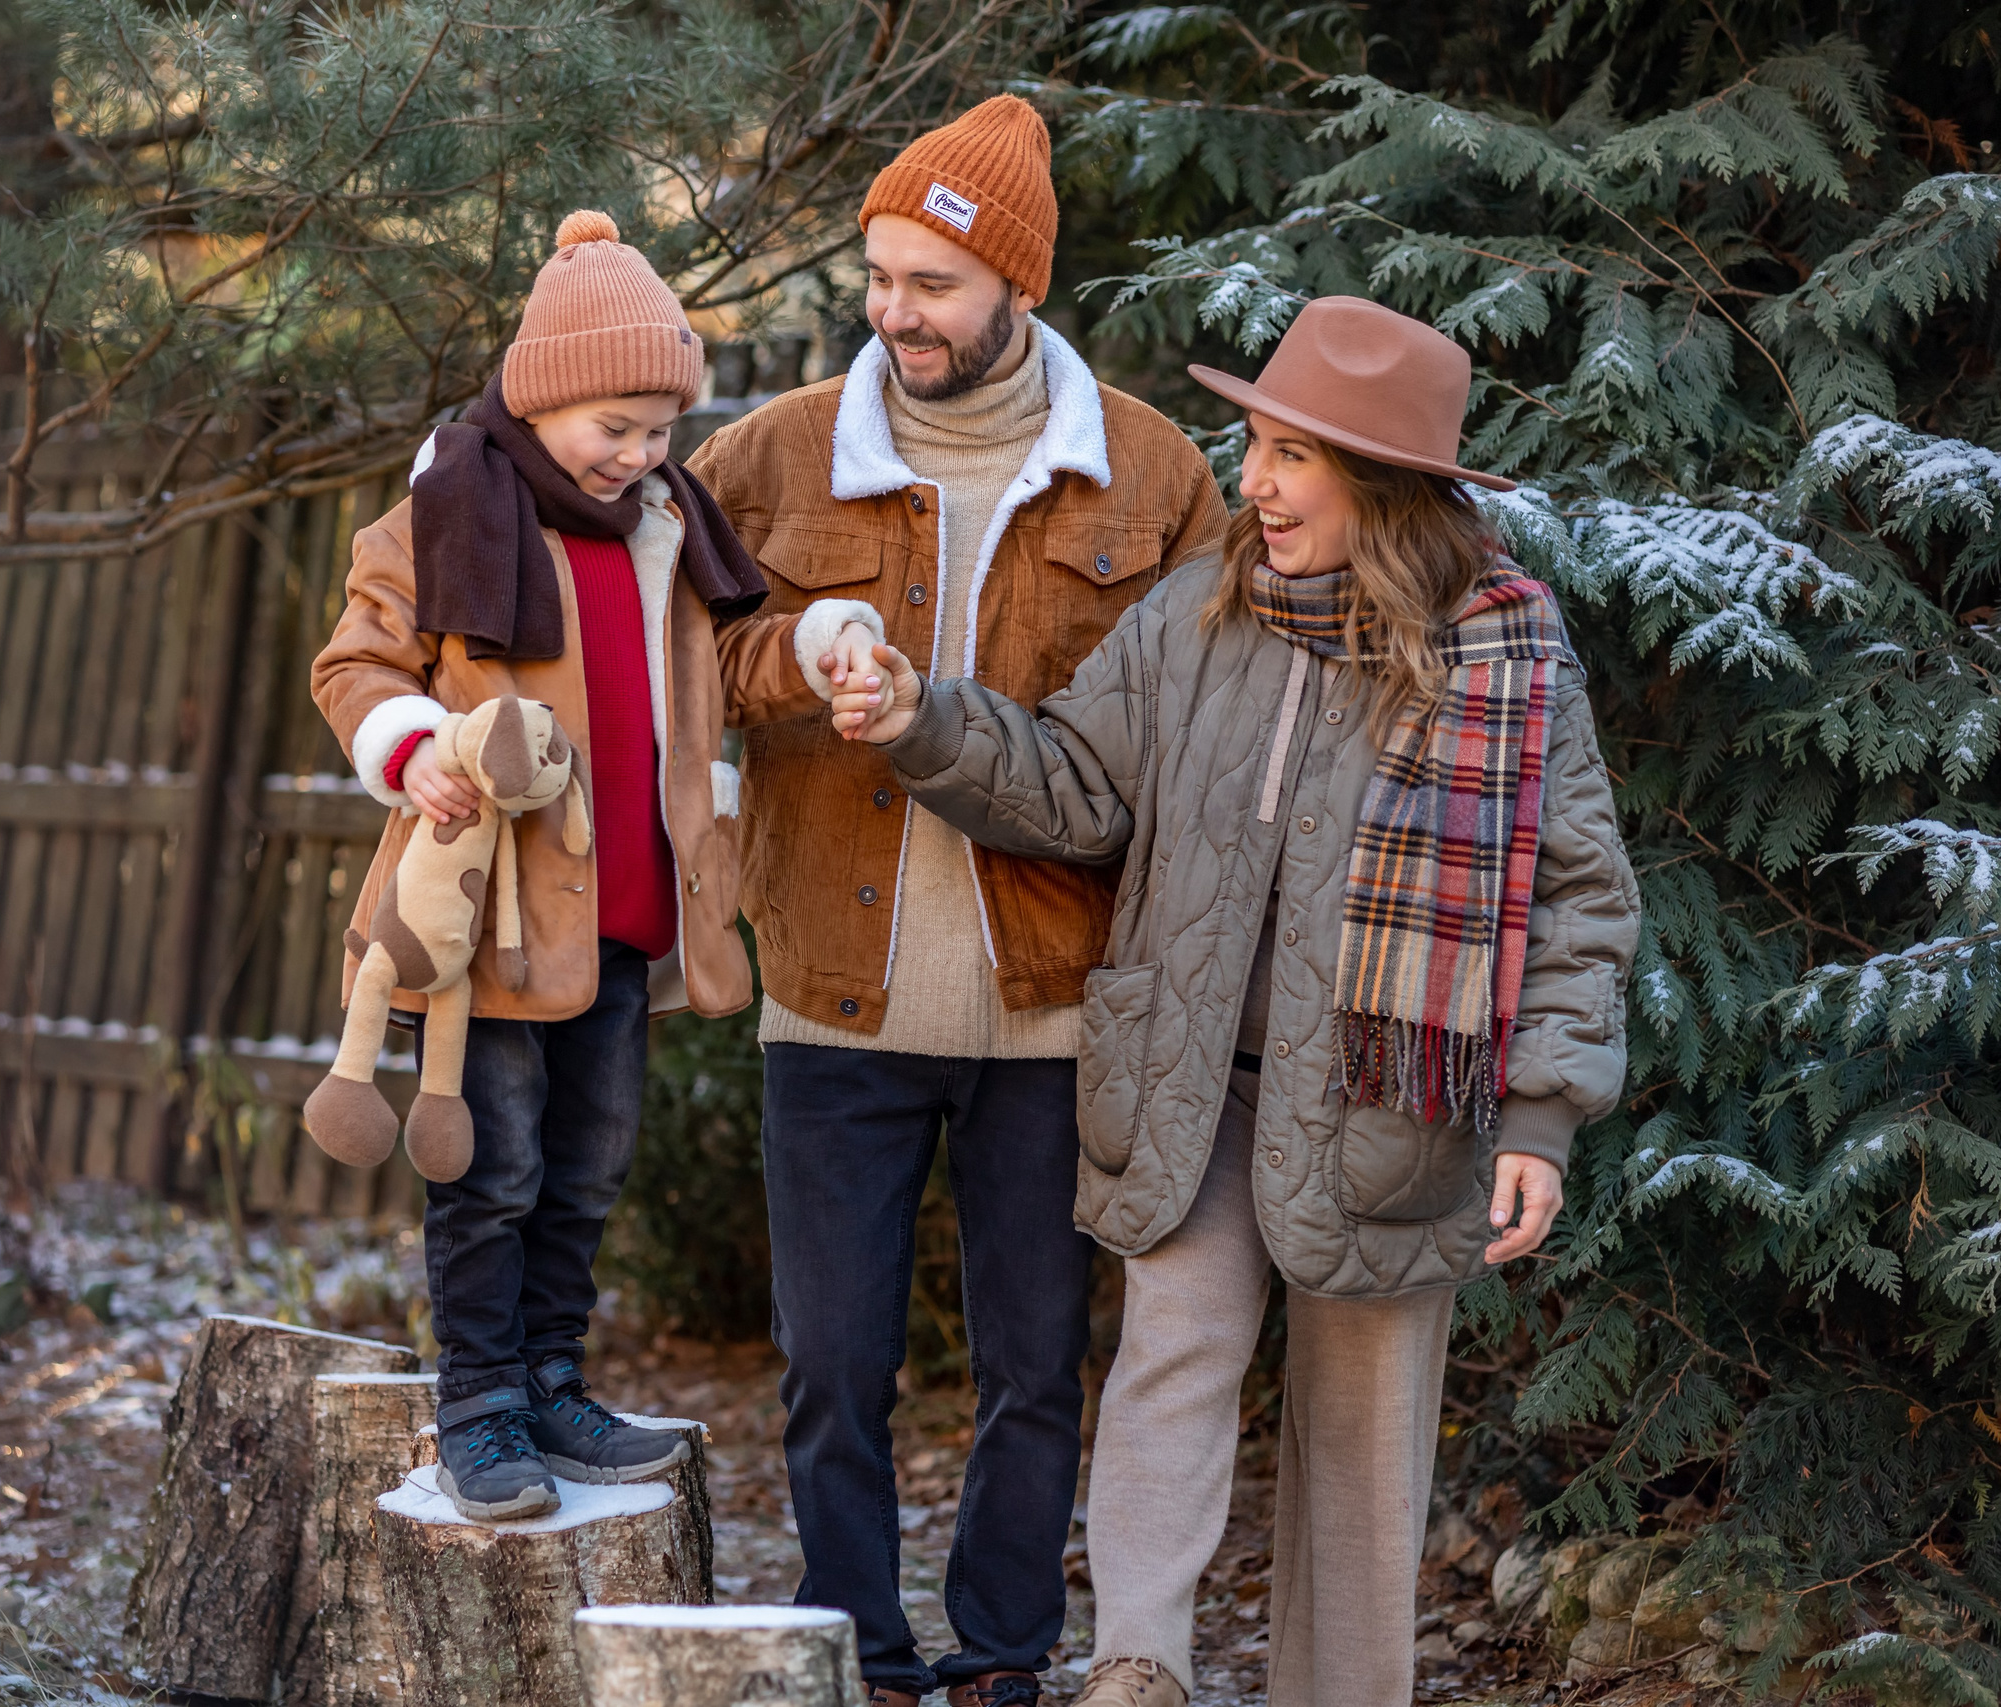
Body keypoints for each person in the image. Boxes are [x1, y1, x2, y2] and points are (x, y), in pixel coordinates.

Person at [827, 295, 1640, 1707]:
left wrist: (1543, 1117)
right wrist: (922, 720)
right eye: (1251, 444)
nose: (1250, 480)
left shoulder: (1504, 660)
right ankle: (1139, 1665)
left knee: (1363, 1438)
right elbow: (1075, 784)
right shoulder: (1199, 615)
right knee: (1170, 1368)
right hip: (1194, 1084)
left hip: (1393, 1104)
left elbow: (1579, 896)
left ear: (1380, 489)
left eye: (1289, 457)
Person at [690, 96, 1228, 1706]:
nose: (894, 311)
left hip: (1053, 1000)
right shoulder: (772, 454)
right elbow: (670, 656)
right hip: (830, 990)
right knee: (835, 1368)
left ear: (1015, 286)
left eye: (930, 282)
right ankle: (859, 1651)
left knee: (1032, 1369)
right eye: (878, 275)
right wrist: (790, 652)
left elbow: (1185, 736)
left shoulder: (1154, 473)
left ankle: (1003, 1658)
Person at [310, 210, 767, 1524]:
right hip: (496, 922)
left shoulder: (667, 525)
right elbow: (356, 664)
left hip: (626, 908)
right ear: (547, 395)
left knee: (589, 1162)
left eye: (657, 429)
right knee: (489, 1165)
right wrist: (414, 747)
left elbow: (709, 685)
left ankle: (557, 1374)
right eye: (610, 427)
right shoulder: (452, 504)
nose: (637, 454)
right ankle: (482, 1403)